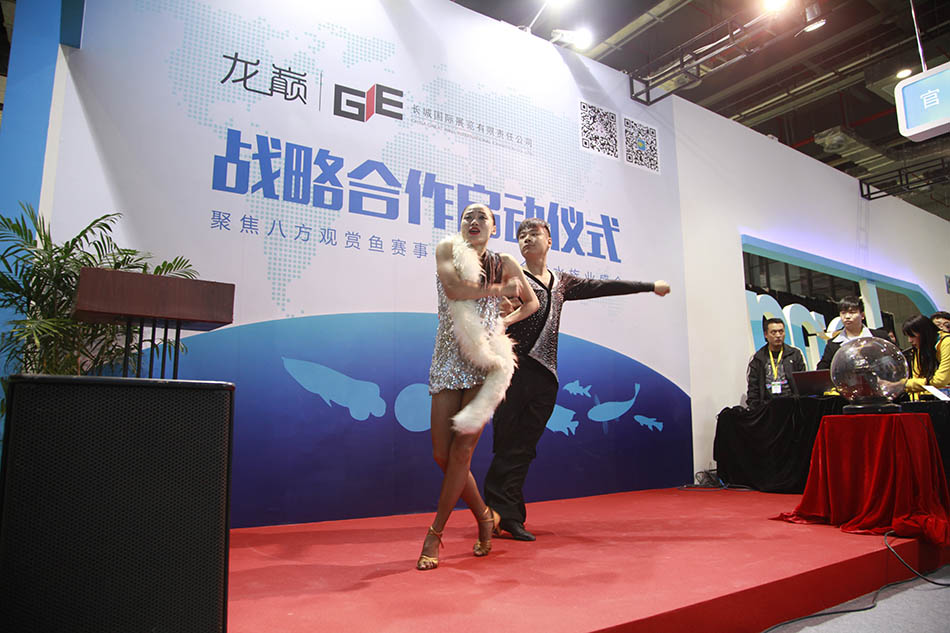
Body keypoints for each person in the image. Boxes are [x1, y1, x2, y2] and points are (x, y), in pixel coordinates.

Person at [483, 218, 670, 541]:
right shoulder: (512, 277)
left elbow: (603, 287)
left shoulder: (562, 283)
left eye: (534, 234)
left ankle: (506, 516)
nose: (527, 239)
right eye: (521, 235)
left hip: (546, 376)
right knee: (507, 444)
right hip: (512, 371)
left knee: (524, 448)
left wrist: (649, 286)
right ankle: (502, 516)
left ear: (549, 240)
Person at [417, 203, 539, 571]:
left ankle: (435, 533)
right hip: (447, 358)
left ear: (493, 227)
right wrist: (500, 290)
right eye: (468, 216)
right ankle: (486, 516)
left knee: (463, 450)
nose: (474, 221)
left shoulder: (505, 261)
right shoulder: (447, 250)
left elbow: (531, 302)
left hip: (486, 363)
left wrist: (503, 322)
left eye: (482, 217)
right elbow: (454, 289)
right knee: (441, 454)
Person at [745, 318, 806, 409]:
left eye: (781, 332)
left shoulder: (795, 354)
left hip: (792, 404)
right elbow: (753, 388)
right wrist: (755, 407)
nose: (778, 335)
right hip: (767, 406)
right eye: (773, 332)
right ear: (766, 335)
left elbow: (803, 383)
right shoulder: (758, 358)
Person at [816, 296, 889, 370]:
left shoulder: (879, 337)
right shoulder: (833, 344)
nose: (847, 316)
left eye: (852, 312)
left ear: (862, 315)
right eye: (843, 313)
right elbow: (822, 369)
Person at [902, 315, 950, 399]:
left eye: (912, 336)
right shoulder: (921, 349)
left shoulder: (947, 343)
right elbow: (917, 377)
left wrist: (903, 384)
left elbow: (940, 380)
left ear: (924, 333)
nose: (909, 340)